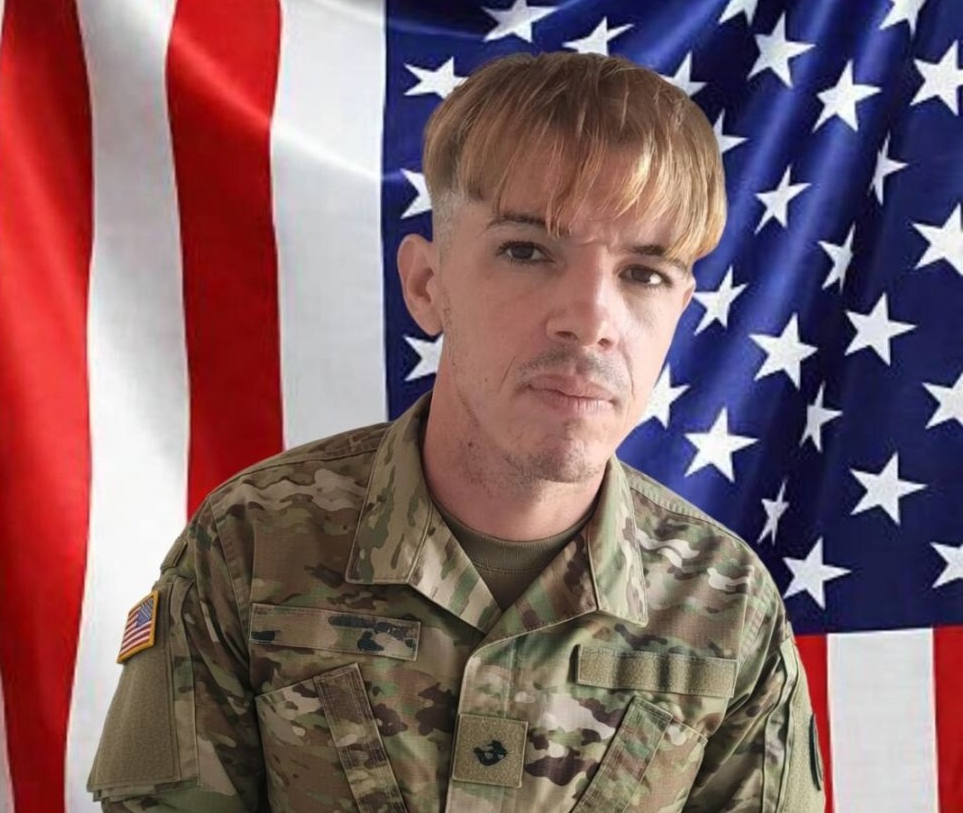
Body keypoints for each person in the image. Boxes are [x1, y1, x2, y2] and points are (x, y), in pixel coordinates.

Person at [89, 51, 825, 813]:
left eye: (644, 273)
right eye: (527, 251)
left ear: (679, 312)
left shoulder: (727, 606)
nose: (591, 319)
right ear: (426, 284)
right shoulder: (252, 547)